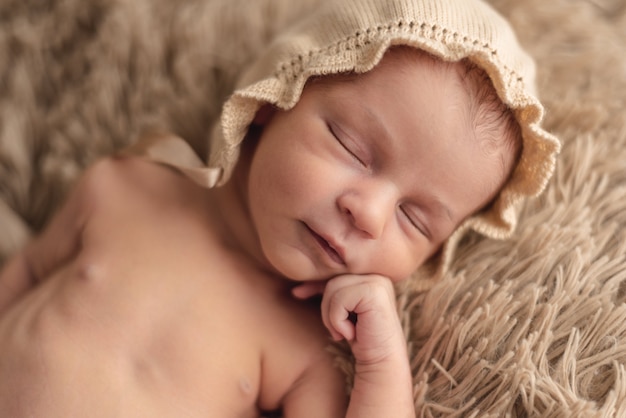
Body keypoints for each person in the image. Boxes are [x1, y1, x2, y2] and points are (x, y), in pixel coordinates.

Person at [0, 0, 560, 416]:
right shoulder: (126, 189)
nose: (368, 214)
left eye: (416, 219)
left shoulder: (304, 343)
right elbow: (24, 274)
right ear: (274, 101)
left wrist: (382, 362)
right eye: (353, 149)